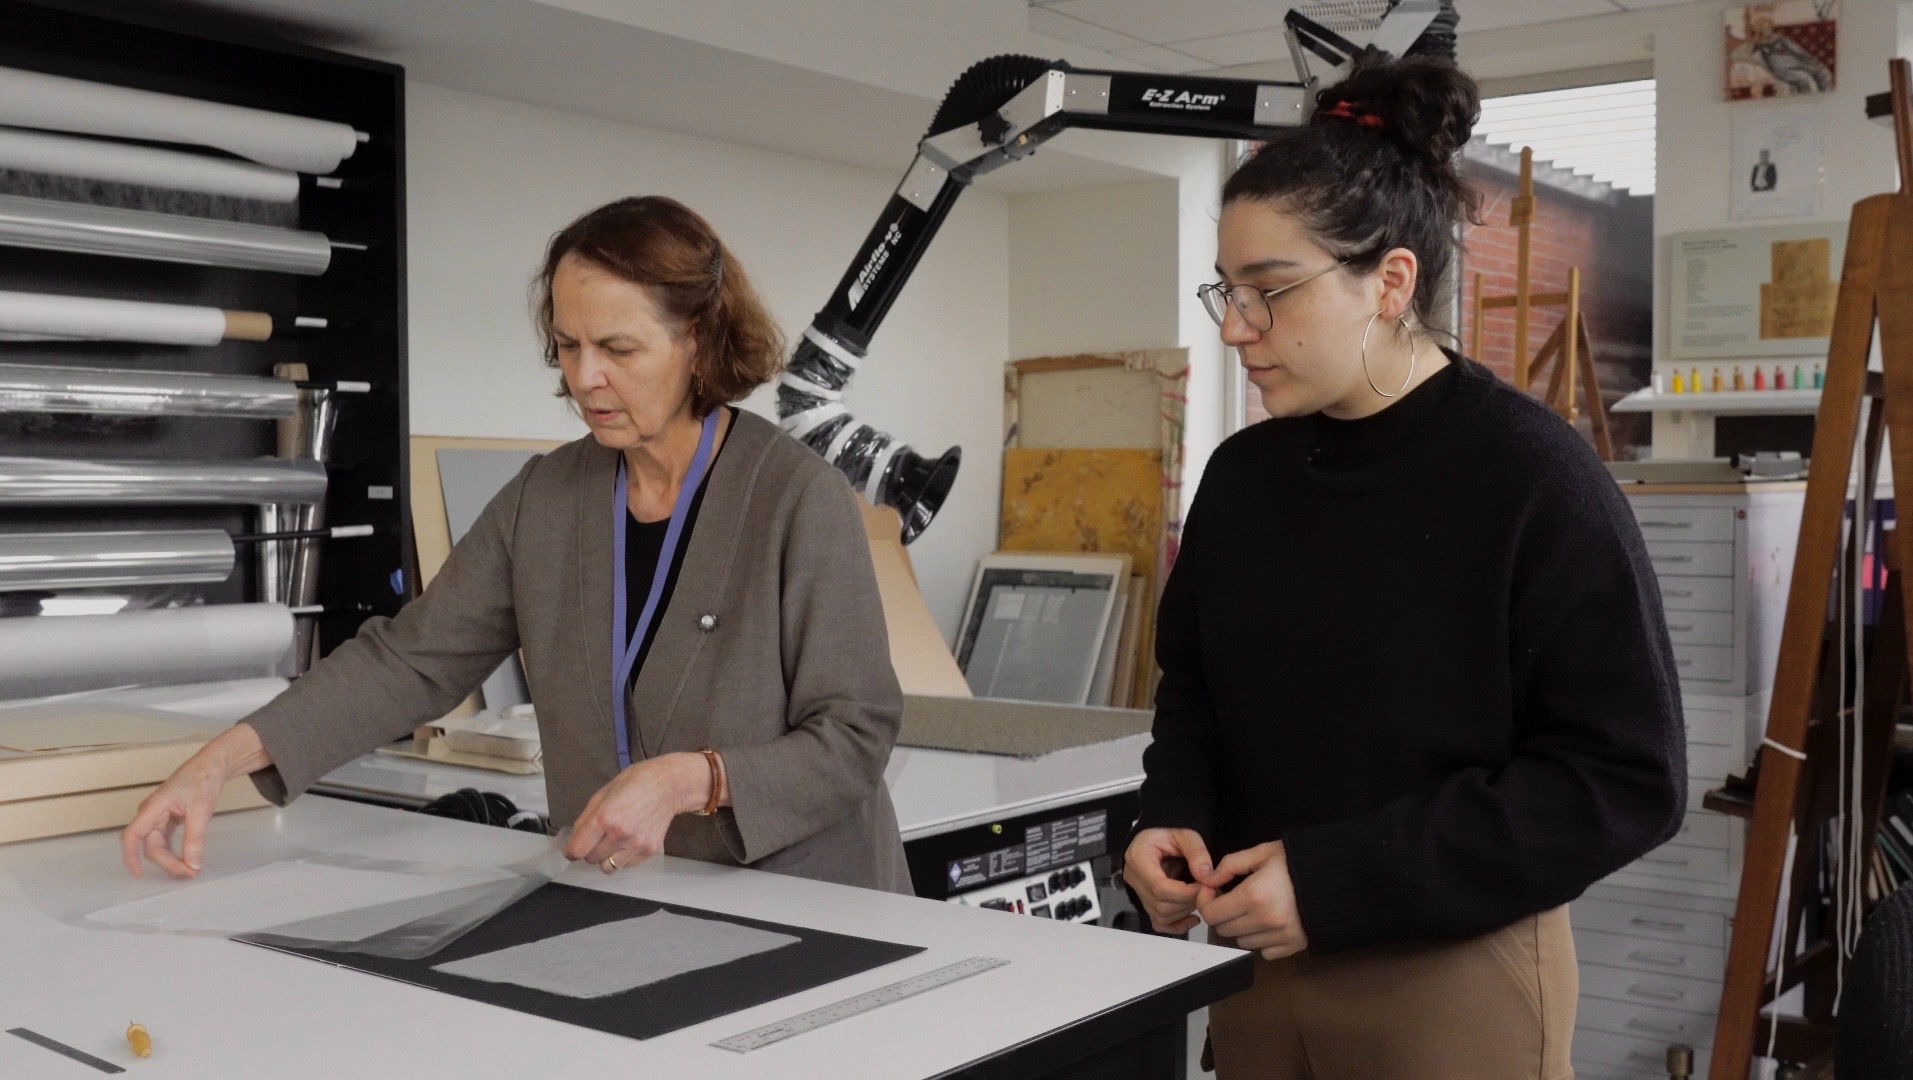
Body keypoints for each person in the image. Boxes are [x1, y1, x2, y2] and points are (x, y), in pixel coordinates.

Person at [1122, 56, 1685, 1079]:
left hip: (1450, 976)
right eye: (1225, 291)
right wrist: (1171, 814)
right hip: (1256, 960)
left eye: (1269, 291)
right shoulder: (1242, 478)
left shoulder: (1530, 478)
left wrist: (1333, 881)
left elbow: (1622, 778)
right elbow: (1196, 693)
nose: (1235, 329)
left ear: (1389, 281)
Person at [122, 196, 912, 893]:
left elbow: (854, 735)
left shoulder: (795, 498)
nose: (585, 378)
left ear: (698, 340)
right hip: (626, 903)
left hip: (806, 906)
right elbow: (409, 660)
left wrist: (693, 780)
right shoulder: (546, 497)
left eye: (617, 349)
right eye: (568, 347)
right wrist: (221, 758)